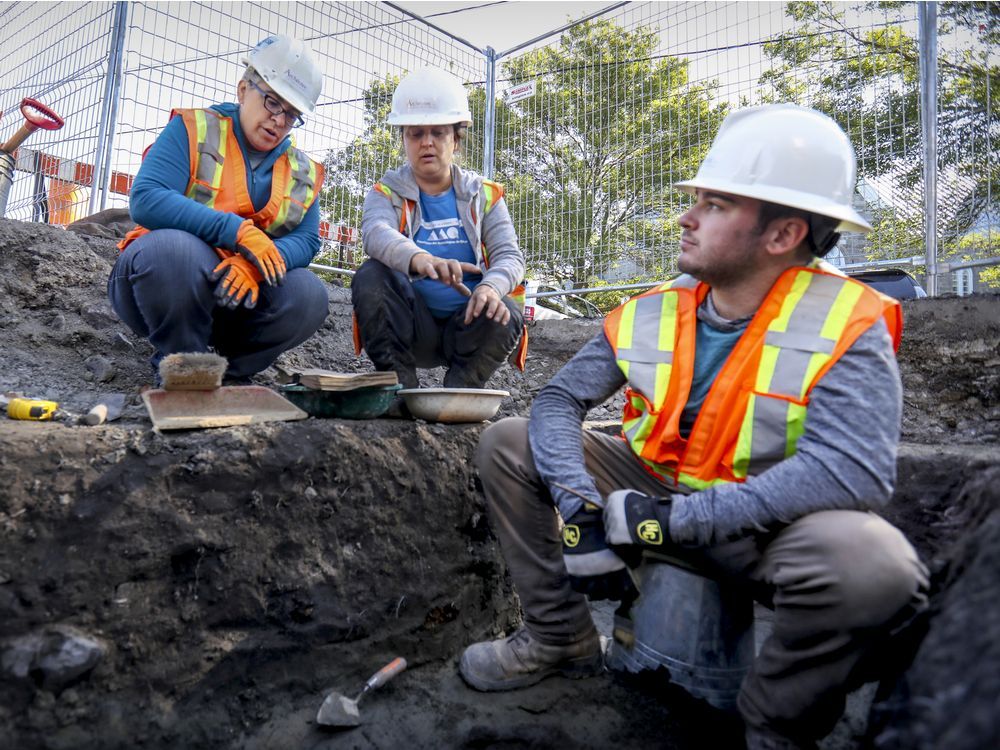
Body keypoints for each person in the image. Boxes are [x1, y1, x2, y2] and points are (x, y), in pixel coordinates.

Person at [459, 104, 929, 750]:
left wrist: (676, 520)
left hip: (760, 526)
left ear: (782, 233)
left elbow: (851, 470)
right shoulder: (661, 308)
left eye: (714, 204)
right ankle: (558, 636)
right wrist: (579, 505)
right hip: (648, 491)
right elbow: (558, 400)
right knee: (508, 444)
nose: (687, 216)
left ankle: (774, 724)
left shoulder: (848, 323)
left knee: (877, 568)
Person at [109, 35, 328, 384]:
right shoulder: (194, 129)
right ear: (244, 90)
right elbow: (147, 197)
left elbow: (307, 240)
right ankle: (185, 368)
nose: (278, 120)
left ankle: (232, 376)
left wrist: (255, 265)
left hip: (237, 299)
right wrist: (238, 232)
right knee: (174, 251)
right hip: (164, 285)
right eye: (272, 102)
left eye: (292, 114)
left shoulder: (302, 172)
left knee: (309, 293)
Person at [351, 67, 526, 394]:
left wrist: (490, 288)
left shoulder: (484, 194)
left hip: (469, 326)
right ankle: (399, 390)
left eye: (438, 132)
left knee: (507, 309)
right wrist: (422, 259)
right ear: (404, 139)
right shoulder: (385, 193)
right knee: (371, 275)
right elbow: (376, 234)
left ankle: (459, 393)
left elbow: (510, 257)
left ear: (456, 140)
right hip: (411, 326)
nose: (427, 142)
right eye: (415, 133)